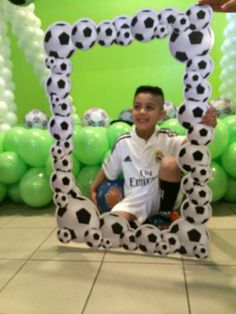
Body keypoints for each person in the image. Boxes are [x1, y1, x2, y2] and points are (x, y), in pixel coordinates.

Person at [89, 85, 217, 229]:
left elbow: (193, 142)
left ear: (161, 115)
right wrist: (93, 188)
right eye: (137, 107)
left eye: (149, 107)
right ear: (132, 112)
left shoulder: (168, 138)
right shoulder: (123, 142)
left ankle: (165, 216)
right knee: (111, 224)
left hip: (161, 198)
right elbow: (108, 170)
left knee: (169, 163)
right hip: (134, 200)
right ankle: (144, 223)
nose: (142, 112)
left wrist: (205, 126)